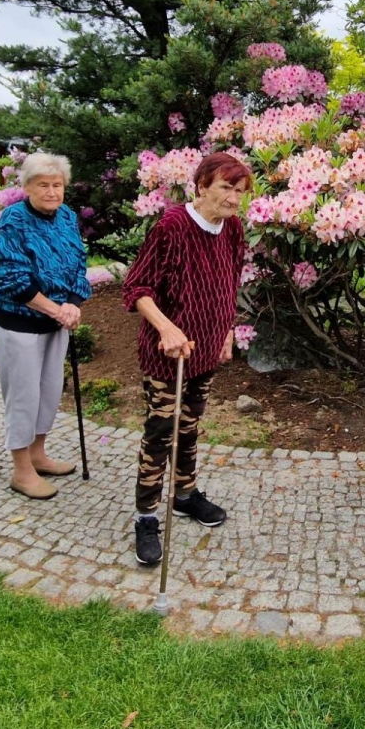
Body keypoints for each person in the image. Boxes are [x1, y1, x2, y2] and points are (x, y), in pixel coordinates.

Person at [122, 151, 250, 567]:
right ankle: (145, 516)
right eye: (226, 188)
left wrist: (226, 330)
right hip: (168, 353)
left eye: (241, 191)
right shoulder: (172, 226)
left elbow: (229, 282)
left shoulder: (233, 229)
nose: (234, 199)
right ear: (201, 186)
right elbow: (137, 287)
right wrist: (166, 327)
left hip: (206, 348)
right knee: (161, 431)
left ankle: (185, 493)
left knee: (190, 426)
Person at [0, 151, 93, 500]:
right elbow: (11, 276)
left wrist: (74, 304)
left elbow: (79, 261)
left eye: (58, 185)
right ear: (27, 187)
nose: (52, 191)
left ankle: (38, 454)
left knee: (48, 391)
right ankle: (21, 471)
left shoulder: (66, 217)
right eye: (43, 185)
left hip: (56, 322)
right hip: (19, 324)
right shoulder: (11, 221)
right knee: (23, 396)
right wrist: (55, 309)